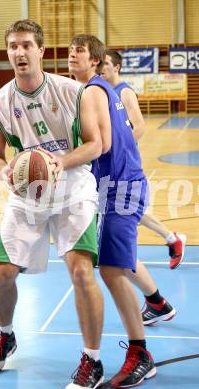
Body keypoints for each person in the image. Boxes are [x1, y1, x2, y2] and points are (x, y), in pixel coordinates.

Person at [0, 20, 104, 389]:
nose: (19, 52)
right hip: (27, 190)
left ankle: (92, 361)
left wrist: (59, 162)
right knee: (2, 272)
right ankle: (5, 334)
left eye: (26, 45)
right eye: (13, 46)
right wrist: (6, 171)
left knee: (81, 271)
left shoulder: (73, 91)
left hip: (73, 186)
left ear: (41, 50)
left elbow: (96, 144)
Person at [68, 34, 163, 388]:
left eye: (80, 51)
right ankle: (157, 305)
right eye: (71, 51)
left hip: (120, 186)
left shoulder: (92, 91)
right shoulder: (96, 89)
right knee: (115, 265)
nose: (73, 55)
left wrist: (60, 160)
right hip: (115, 185)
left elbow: (102, 145)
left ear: (95, 60)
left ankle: (141, 354)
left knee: (111, 269)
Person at [101, 49, 187, 271]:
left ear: (116, 67)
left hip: (124, 164)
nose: (102, 67)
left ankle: (169, 239)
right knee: (119, 208)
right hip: (107, 163)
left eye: (106, 63)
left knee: (125, 210)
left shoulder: (124, 92)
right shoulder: (102, 92)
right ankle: (171, 239)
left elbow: (139, 127)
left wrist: (120, 151)